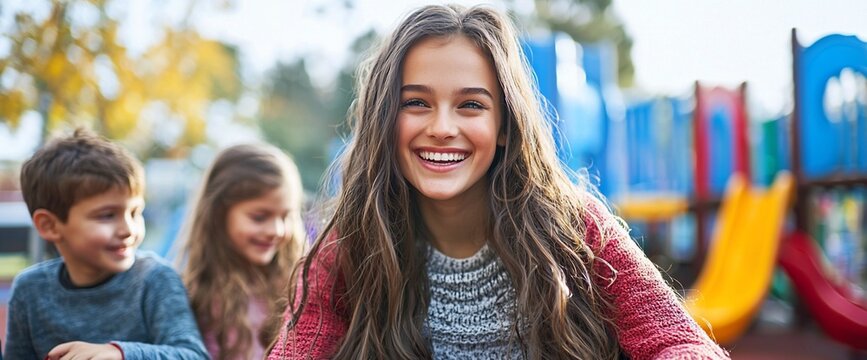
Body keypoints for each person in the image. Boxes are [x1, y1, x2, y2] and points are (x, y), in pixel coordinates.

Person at [267, 4, 729, 360]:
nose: (443, 127)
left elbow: (677, 341)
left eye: (470, 105)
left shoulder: (576, 231)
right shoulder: (350, 248)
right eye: (416, 103)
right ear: (383, 120)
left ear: (505, 124)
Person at [5, 129, 208, 360]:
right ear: (50, 226)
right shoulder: (30, 290)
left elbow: (193, 355)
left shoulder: (154, 280)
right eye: (107, 215)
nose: (128, 229)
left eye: (135, 212)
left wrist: (120, 354)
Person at [177, 144, 306, 360]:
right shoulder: (196, 295)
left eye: (286, 217)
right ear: (218, 214)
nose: (276, 230)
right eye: (259, 217)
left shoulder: (298, 287)